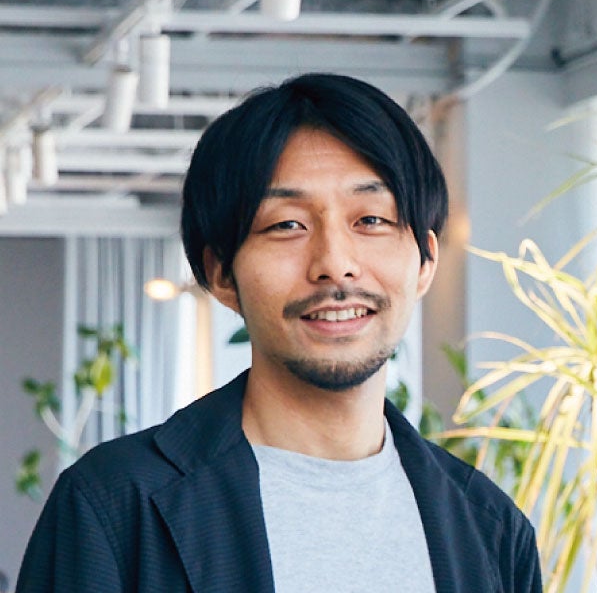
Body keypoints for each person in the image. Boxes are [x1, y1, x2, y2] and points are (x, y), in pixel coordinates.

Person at [16, 73, 541, 592]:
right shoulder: (113, 507)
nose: (335, 264)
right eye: (287, 224)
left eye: (371, 220)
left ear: (425, 261)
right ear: (222, 275)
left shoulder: (492, 531)